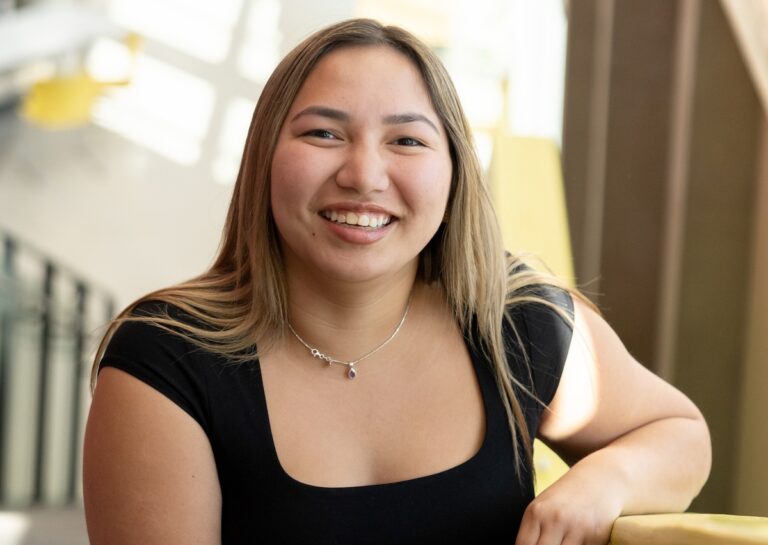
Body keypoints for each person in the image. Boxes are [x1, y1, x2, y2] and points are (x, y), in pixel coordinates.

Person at [82, 18, 711, 545]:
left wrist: (605, 482)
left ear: (454, 173)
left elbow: (679, 436)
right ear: (265, 156)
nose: (364, 174)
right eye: (324, 133)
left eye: (407, 140)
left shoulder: (513, 321)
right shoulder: (166, 359)